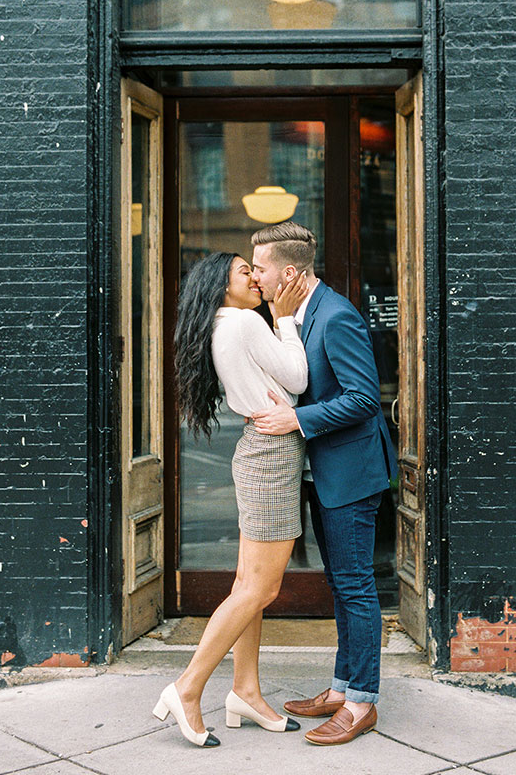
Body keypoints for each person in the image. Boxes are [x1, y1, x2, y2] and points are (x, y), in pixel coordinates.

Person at [152, 251, 309, 748]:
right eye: (246, 272)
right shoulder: (246, 321)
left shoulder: (223, 323)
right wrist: (284, 322)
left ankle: (245, 692)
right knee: (258, 590)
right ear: (224, 285)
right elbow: (298, 379)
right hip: (271, 453)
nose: (257, 279)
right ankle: (188, 687)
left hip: (258, 450)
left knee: (248, 584)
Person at [250, 221, 395, 747]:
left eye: (260, 268)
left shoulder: (336, 316)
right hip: (324, 471)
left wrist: (297, 420)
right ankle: (341, 687)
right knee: (340, 583)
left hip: (351, 475)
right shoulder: (297, 313)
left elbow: (363, 399)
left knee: (356, 587)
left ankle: (361, 703)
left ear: (288, 272)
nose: (255, 276)